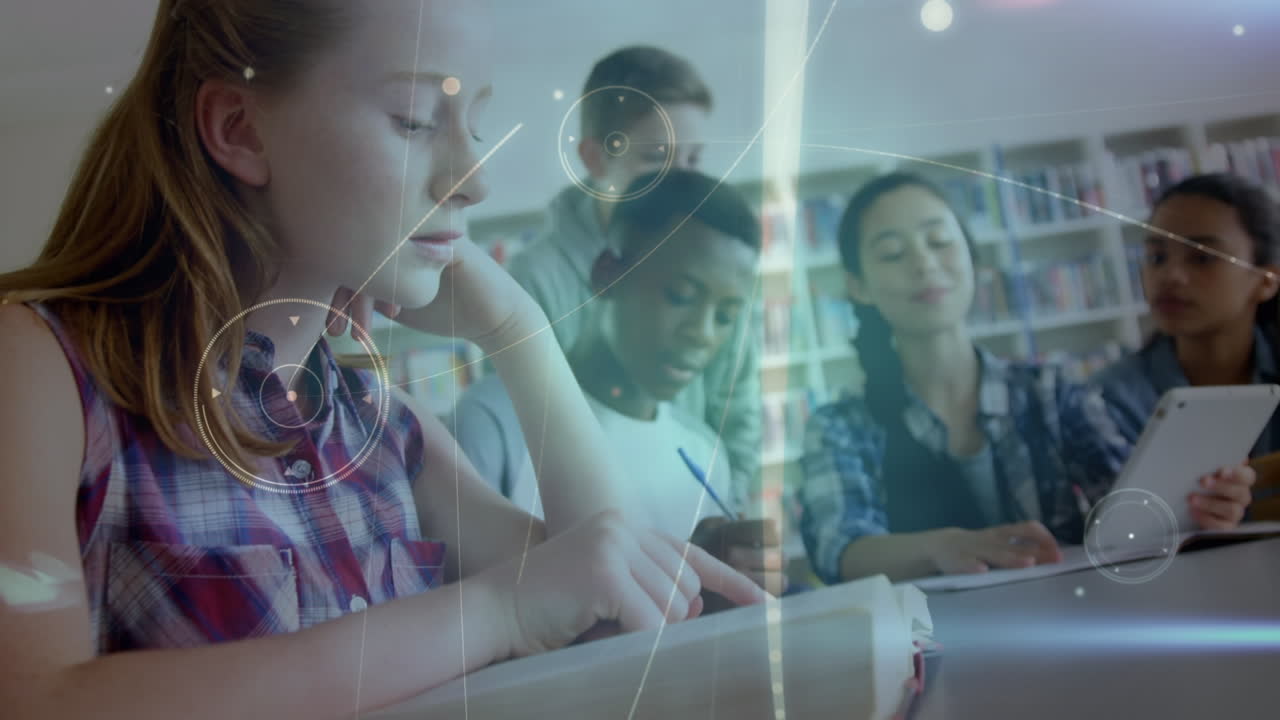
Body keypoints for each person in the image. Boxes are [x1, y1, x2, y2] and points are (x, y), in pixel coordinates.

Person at [0, 3, 764, 718]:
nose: (473, 177)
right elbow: (32, 698)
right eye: (415, 121)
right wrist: (498, 611)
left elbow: (614, 602)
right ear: (241, 129)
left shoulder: (387, 423)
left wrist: (518, 329)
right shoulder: (42, 369)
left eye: (476, 124)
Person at [797, 172, 1256, 586]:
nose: (923, 264)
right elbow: (840, 549)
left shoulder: (1050, 390)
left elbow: (1125, 506)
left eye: (939, 242)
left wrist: (1193, 505)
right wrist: (941, 547)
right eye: (893, 252)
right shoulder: (840, 424)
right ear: (857, 285)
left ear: (972, 259)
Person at [453, 170, 784, 594]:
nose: (702, 333)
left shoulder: (704, 455)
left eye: (724, 317)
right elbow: (471, 606)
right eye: (680, 296)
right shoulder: (497, 419)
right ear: (608, 274)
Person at [504, 45, 763, 502]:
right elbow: (522, 432)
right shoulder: (534, 279)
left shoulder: (718, 262)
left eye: (693, 160)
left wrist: (724, 512)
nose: (681, 182)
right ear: (594, 158)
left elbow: (736, 410)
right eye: (656, 159)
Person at [1096, 173, 1280, 456]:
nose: (1170, 276)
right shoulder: (1108, 399)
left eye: (1203, 258)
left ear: (1266, 281)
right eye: (1157, 257)